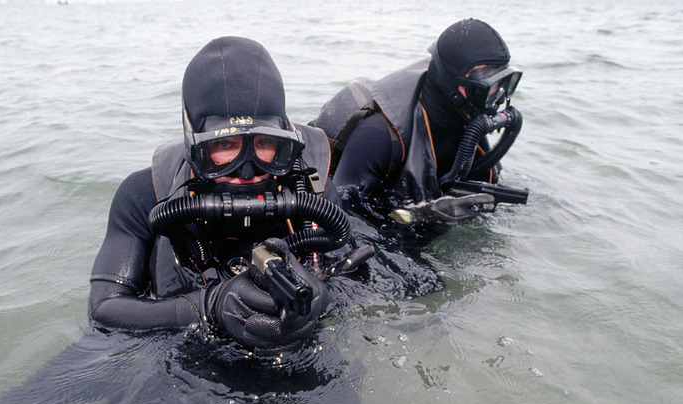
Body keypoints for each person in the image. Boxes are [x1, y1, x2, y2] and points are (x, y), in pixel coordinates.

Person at [89, 36, 363, 352]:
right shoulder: (143, 195)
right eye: (224, 145)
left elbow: (356, 278)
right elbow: (104, 310)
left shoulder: (314, 191)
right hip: (186, 356)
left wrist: (321, 298)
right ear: (194, 144)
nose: (247, 170)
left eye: (264, 143)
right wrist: (208, 307)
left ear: (286, 139)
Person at [311, 18, 528, 226]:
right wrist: (422, 216)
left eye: (501, 84)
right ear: (450, 81)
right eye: (484, 86)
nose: (494, 99)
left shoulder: (467, 118)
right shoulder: (377, 134)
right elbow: (341, 219)